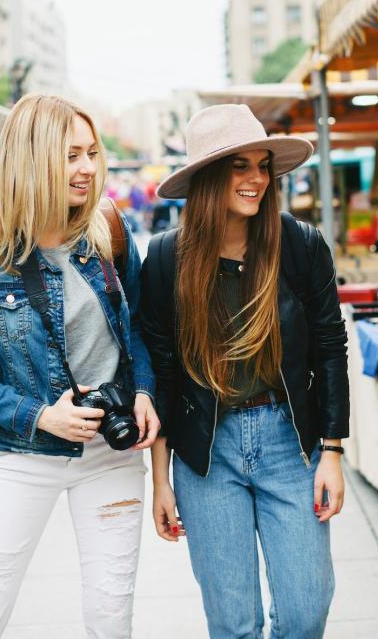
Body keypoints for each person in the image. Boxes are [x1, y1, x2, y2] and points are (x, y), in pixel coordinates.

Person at [0, 94, 159, 639]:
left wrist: (145, 394)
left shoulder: (108, 233)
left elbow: (139, 327)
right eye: (71, 156)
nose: (88, 168)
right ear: (31, 159)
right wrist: (42, 416)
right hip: (24, 453)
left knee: (112, 616)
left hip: (111, 453)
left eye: (91, 153)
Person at [140, 104, 350, 639]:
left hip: (290, 443)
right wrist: (160, 480)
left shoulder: (300, 245)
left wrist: (333, 451)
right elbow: (162, 375)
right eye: (238, 166)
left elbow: (331, 347)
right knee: (233, 623)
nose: (257, 178)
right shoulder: (166, 260)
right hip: (206, 456)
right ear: (208, 177)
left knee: (306, 610)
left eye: (262, 165)